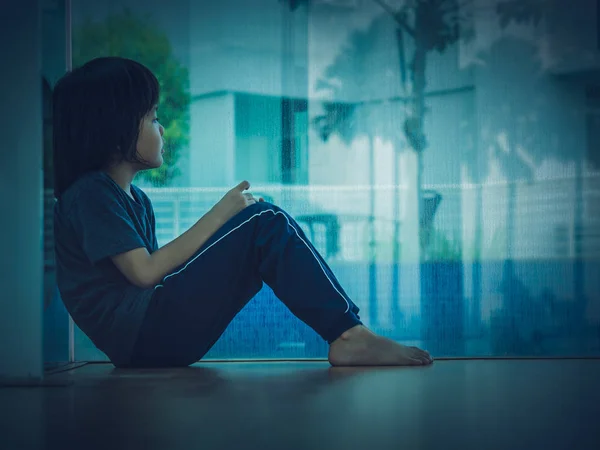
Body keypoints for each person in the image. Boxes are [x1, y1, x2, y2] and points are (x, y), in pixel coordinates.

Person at [52, 56, 433, 369]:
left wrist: (225, 241)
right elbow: (145, 272)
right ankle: (348, 334)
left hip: (148, 335)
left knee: (261, 225)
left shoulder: (135, 199)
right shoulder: (90, 194)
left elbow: (150, 276)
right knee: (264, 222)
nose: (162, 126)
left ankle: (347, 332)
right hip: (144, 335)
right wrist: (222, 215)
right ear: (115, 127)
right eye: (152, 117)